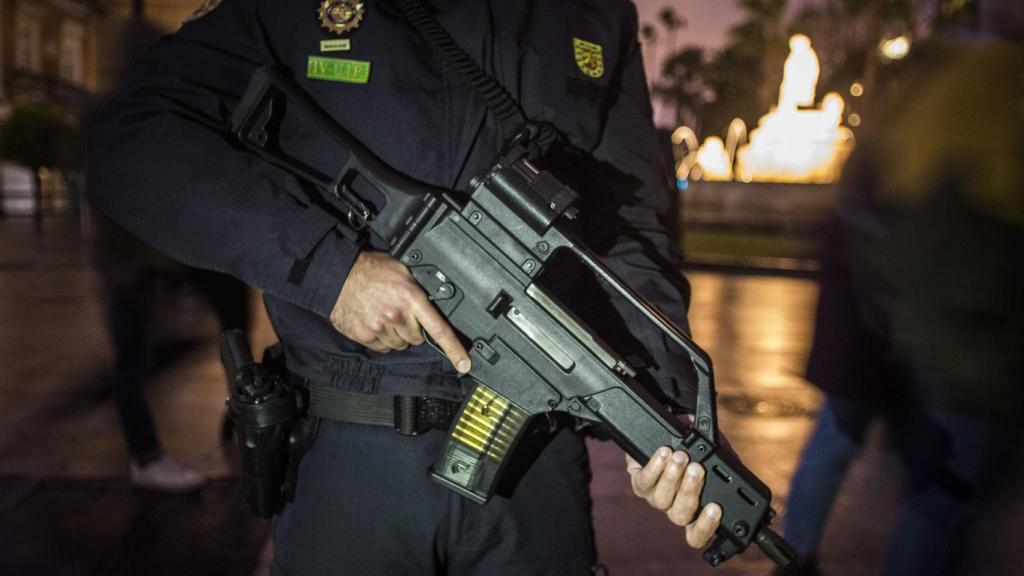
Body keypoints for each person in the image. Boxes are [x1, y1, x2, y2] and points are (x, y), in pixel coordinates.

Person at [88, 0, 723, 573]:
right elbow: (134, 137)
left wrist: (659, 412)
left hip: (535, 462)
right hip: (353, 455)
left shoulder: (593, 13)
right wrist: (332, 271)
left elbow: (634, 224)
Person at [778, 1, 1024, 574]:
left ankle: (794, 555)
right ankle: (795, 556)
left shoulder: (940, 73)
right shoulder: (987, 78)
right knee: (939, 494)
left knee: (859, 446)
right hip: (942, 334)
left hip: (892, 312)